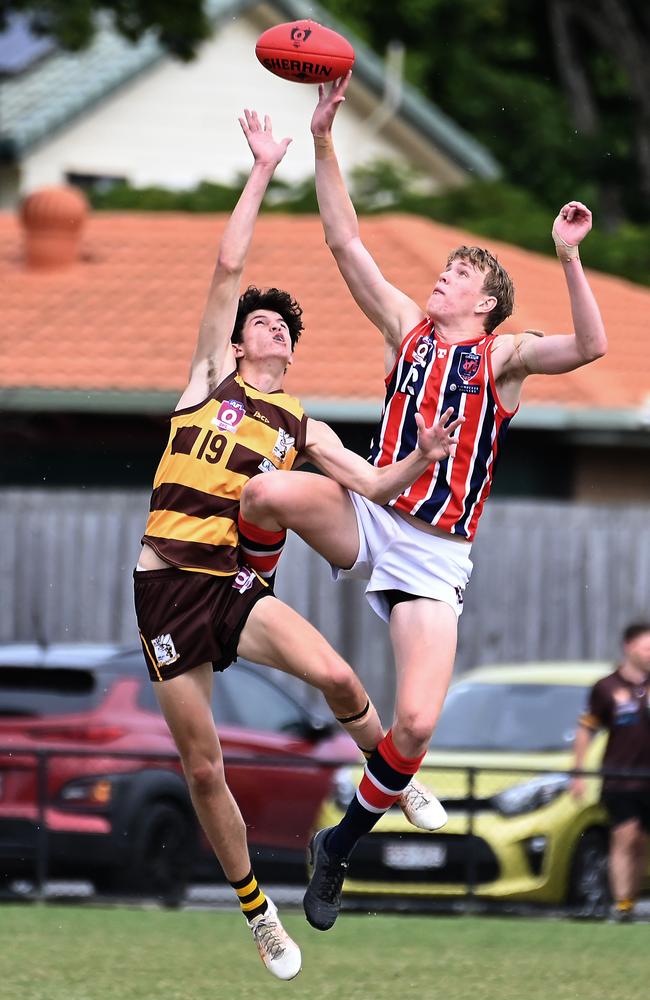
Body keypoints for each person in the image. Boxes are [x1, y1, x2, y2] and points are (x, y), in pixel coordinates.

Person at [238, 73, 608, 931]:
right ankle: (244, 591)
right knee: (266, 491)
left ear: (485, 303)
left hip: (436, 553)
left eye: (457, 276)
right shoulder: (405, 326)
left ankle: (340, 845)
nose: (440, 281)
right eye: (443, 271)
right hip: (371, 509)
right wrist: (324, 139)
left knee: (414, 721)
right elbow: (343, 239)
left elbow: (591, 345)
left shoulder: (504, 358)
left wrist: (570, 256)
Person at [133, 109, 462, 979]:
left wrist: (420, 459)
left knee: (344, 679)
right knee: (206, 771)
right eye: (262, 323)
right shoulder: (208, 380)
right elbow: (228, 264)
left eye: (284, 326)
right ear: (237, 342)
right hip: (166, 589)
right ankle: (257, 914)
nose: (274, 327)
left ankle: (391, 775)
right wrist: (264, 165)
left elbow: (372, 487)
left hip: (233, 585)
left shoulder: (303, 423)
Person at [571, 622, 650, 922]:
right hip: (620, 778)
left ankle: (630, 899)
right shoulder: (607, 687)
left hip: (648, 778)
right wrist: (577, 772)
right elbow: (586, 730)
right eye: (647, 648)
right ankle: (621, 904)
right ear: (629, 648)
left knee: (640, 841)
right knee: (625, 835)